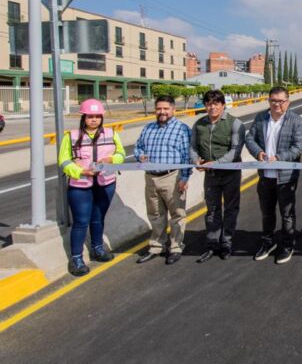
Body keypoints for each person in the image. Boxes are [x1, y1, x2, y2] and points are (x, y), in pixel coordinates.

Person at [58, 99, 125, 276]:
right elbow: (64, 161)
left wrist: (112, 159)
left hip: (105, 183)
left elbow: (121, 154)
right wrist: (81, 171)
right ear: (84, 117)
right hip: (80, 186)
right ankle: (76, 258)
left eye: (97, 116)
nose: (94, 120)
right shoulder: (70, 136)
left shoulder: (111, 133)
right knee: (81, 222)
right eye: (90, 116)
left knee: (98, 218)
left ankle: (97, 248)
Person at [245, 86, 302, 264]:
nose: (277, 104)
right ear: (269, 101)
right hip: (265, 177)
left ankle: (287, 245)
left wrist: (279, 158)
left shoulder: (296, 121)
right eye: (273, 101)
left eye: (281, 101)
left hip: (286, 177)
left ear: (288, 102)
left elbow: (297, 148)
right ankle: (268, 242)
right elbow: (250, 139)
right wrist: (258, 153)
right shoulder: (261, 118)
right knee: (267, 213)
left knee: (287, 214)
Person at [134, 95, 192, 265]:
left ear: (174, 110)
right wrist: (140, 156)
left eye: (166, 108)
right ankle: (156, 246)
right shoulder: (148, 128)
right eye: (159, 108)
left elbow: (187, 156)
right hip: (151, 178)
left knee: (177, 215)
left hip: (172, 177)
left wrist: (185, 177)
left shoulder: (182, 129)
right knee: (155, 214)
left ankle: (175, 247)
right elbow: (138, 147)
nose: (162, 112)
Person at [190, 89, 246, 262]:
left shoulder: (235, 124)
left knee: (230, 209)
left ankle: (226, 243)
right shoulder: (199, 125)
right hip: (210, 175)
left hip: (230, 174)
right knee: (212, 211)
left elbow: (234, 152)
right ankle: (212, 244)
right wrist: (196, 161)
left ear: (223, 105)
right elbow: (192, 147)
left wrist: (215, 163)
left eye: (215, 103)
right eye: (208, 103)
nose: (211, 107)